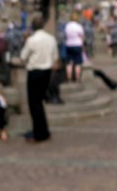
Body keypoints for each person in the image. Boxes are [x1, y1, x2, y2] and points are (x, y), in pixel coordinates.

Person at [19, 14, 59, 143]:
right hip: (46, 72)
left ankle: (40, 133)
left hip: (35, 72)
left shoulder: (32, 40)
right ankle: (43, 130)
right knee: (39, 102)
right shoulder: (51, 38)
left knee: (34, 103)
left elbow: (23, 57)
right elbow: (55, 57)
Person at [63, 11, 85, 82]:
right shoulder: (78, 26)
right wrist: (82, 46)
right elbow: (82, 36)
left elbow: (65, 36)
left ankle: (69, 78)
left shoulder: (67, 26)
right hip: (77, 44)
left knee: (68, 63)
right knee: (77, 63)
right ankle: (77, 78)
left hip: (68, 45)